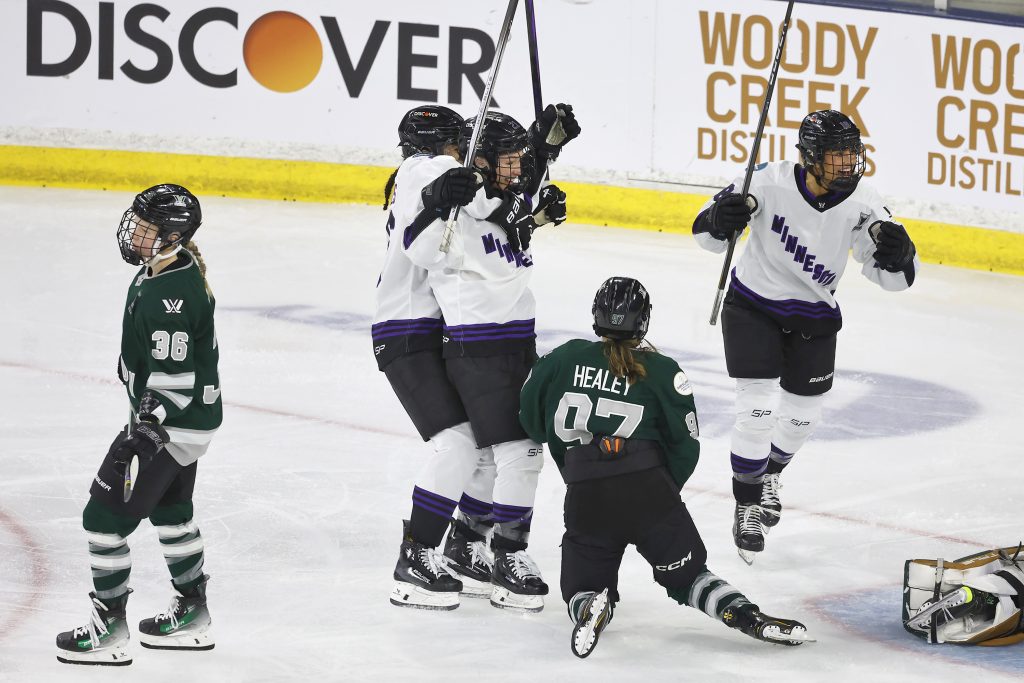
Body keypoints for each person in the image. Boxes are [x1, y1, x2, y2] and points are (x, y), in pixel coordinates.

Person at [518, 277, 810, 657]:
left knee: (580, 588)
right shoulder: (663, 370)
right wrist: (659, 494)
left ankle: (591, 606)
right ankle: (742, 614)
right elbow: (685, 448)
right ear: (644, 321)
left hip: (586, 491)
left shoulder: (562, 358)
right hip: (649, 490)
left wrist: (576, 463)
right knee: (689, 578)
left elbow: (530, 420)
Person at [692, 109, 920, 563]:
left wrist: (899, 256)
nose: (847, 164)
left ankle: (771, 472)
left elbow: (895, 280)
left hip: (814, 315)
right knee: (756, 409)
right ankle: (747, 503)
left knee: (801, 418)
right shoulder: (765, 180)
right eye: (837, 155)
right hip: (753, 305)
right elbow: (705, 235)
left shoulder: (864, 202)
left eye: (851, 154)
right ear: (809, 157)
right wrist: (721, 218)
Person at [377, 105, 576, 611]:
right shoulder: (425, 169)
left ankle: (464, 545)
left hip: (444, 326)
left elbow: (497, 202)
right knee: (459, 445)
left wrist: (539, 150)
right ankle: (417, 556)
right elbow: (438, 220)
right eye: (456, 143)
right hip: (412, 330)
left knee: (485, 448)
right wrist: (447, 193)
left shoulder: (455, 174)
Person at [56, 184, 221, 665]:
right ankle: (193, 614)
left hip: (170, 425)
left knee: (103, 521)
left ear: (171, 235)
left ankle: (108, 629)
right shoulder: (167, 270)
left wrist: (146, 433)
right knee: (172, 513)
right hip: (190, 423)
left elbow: (176, 380)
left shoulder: (171, 293)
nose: (135, 232)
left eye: (147, 226)